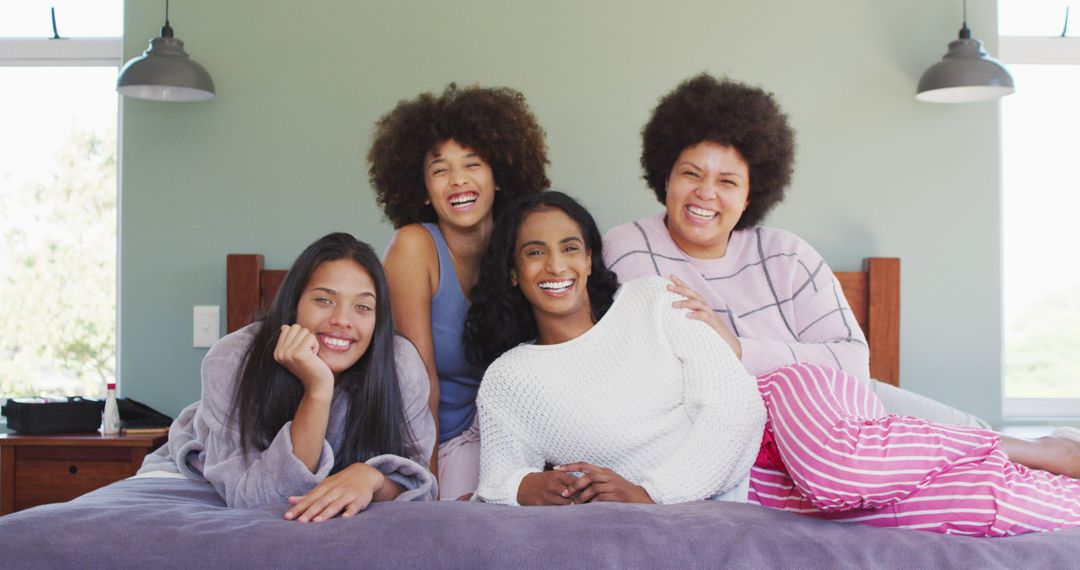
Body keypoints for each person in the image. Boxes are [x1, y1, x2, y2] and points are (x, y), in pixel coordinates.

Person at [464, 191, 1080, 537]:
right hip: (752, 487)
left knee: (840, 471)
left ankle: (1022, 447)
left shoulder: (651, 298)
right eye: (534, 252)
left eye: (570, 247)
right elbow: (496, 477)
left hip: (786, 412)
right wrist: (528, 487)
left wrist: (651, 494)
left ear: (592, 259)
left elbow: (732, 404)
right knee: (958, 508)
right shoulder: (511, 380)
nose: (555, 265)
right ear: (513, 274)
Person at [602, 73, 1080, 478]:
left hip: (844, 408)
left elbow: (853, 364)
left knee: (969, 436)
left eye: (728, 181)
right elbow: (674, 363)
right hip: (754, 428)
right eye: (691, 174)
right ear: (665, 175)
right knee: (937, 450)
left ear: (751, 196)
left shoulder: (787, 255)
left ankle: (1044, 451)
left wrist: (739, 347)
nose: (706, 194)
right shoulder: (629, 246)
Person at [139, 233, 436, 521]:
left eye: (362, 307)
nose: (343, 320)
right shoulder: (231, 359)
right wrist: (318, 389)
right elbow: (257, 500)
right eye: (323, 300)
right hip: (203, 470)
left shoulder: (399, 364)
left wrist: (371, 478)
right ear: (294, 304)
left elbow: (421, 486)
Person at [367, 84, 549, 499]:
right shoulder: (414, 247)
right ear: (423, 189)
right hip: (436, 442)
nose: (458, 181)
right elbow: (416, 380)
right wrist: (425, 486)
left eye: (473, 164)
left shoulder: (521, 248)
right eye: (439, 170)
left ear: (499, 176)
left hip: (505, 439)